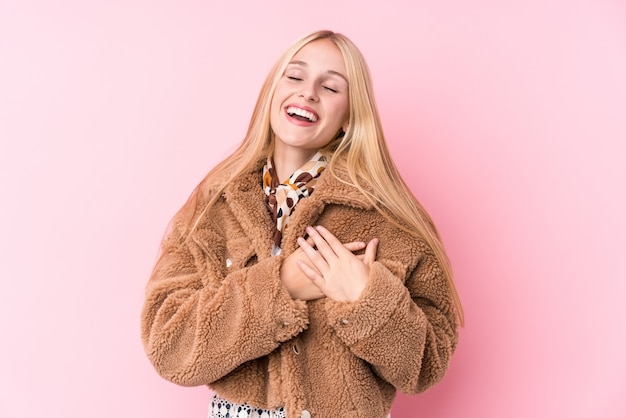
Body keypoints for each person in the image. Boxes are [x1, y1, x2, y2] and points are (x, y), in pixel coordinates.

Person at [141, 29, 463, 418]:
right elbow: (169, 347)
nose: (308, 92)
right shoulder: (213, 207)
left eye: (330, 87)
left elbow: (426, 366)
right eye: (295, 77)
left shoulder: (390, 218)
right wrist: (280, 286)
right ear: (272, 94)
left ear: (349, 116)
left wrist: (366, 298)